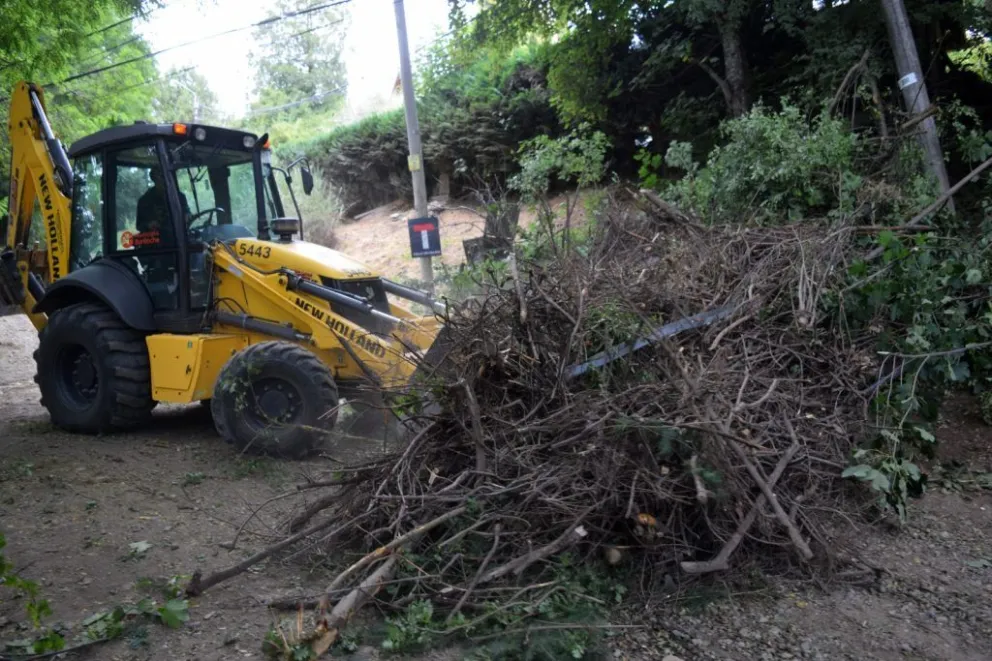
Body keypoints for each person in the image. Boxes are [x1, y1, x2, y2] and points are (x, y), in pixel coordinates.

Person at [135, 167, 189, 246]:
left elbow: (187, 213)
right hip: (156, 245)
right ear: (154, 179)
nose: (164, 180)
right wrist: (149, 225)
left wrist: (186, 217)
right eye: (161, 177)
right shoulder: (144, 201)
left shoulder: (179, 197)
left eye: (166, 176)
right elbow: (139, 226)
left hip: (179, 240)